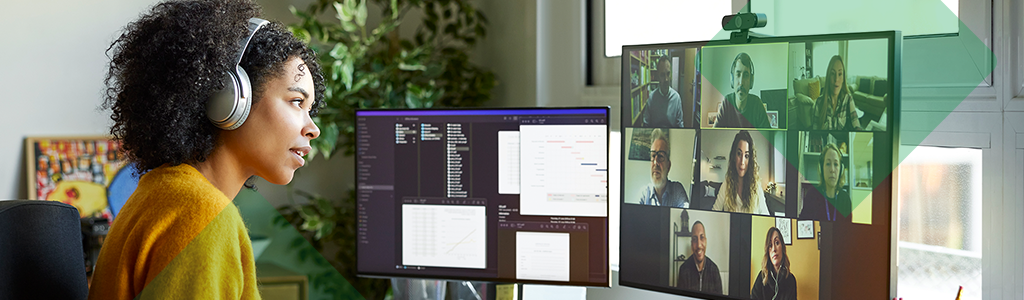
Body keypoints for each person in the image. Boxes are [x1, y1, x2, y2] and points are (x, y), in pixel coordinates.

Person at [87, 0, 324, 299]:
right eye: (296, 102)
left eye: (310, 109)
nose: (313, 128)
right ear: (229, 98)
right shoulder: (202, 217)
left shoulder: (162, 194)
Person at [712, 131, 770, 215]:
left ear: (750, 160)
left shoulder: (756, 188)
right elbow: (714, 212)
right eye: (739, 154)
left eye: (746, 156)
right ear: (734, 156)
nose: (742, 162)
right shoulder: (726, 185)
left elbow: (766, 216)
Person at [714, 52, 770, 128]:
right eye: (738, 74)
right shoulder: (727, 103)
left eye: (746, 75)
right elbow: (714, 134)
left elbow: (768, 138)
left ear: (751, 81)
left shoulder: (757, 104)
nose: (741, 82)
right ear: (732, 79)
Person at [799, 143, 852, 221]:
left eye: (836, 164)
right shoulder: (811, 195)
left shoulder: (845, 199)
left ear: (841, 170)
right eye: (828, 164)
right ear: (821, 168)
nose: (832, 170)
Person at [639, 129, 689, 207]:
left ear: (668, 166)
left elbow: (684, 214)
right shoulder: (643, 194)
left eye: (660, 156)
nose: (656, 162)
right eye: (653, 156)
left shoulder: (677, 190)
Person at [813, 55, 862, 130]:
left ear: (843, 79)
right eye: (832, 74)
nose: (836, 79)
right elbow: (815, 131)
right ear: (828, 77)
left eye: (840, 74)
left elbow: (856, 123)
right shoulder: (819, 102)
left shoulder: (848, 99)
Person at [751, 227, 797, 300]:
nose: (774, 249)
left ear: (782, 247)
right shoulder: (762, 277)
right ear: (768, 253)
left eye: (777, 243)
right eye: (770, 245)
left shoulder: (790, 280)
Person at [677, 221, 723, 293]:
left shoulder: (714, 270)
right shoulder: (683, 270)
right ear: (691, 244)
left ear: (706, 241)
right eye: (695, 239)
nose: (699, 245)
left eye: (702, 238)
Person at [642, 56, 685, 128]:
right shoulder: (651, 98)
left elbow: (680, 125)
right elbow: (646, 124)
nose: (666, 79)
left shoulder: (676, 98)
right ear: (658, 76)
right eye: (662, 75)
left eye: (668, 74)